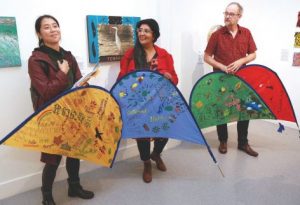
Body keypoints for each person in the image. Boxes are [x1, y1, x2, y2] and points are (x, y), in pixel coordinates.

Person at [28, 15, 94, 205]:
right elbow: (46, 91)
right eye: (47, 27)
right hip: (52, 116)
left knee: (74, 152)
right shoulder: (36, 60)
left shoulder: (68, 55)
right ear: (39, 33)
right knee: (53, 159)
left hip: (73, 112)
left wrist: (84, 82)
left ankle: (74, 186)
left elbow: (79, 80)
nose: (53, 30)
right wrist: (62, 73)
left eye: (55, 26)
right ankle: (46, 196)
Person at [117, 18, 178, 183]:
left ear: (154, 35)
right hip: (139, 104)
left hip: (160, 104)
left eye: (146, 31)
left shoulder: (165, 55)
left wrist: (169, 77)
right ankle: (146, 164)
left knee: (164, 131)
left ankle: (156, 154)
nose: (141, 33)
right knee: (143, 136)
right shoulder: (131, 55)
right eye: (140, 30)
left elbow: (175, 80)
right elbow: (121, 79)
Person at [204, 2, 258, 157]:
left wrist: (241, 61)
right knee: (222, 110)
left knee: (244, 111)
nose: (227, 16)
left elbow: (253, 54)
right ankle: (223, 141)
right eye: (225, 13)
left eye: (231, 14)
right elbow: (207, 57)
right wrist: (221, 66)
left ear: (239, 16)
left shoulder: (246, 33)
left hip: (242, 80)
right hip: (221, 79)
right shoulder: (217, 35)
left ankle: (243, 143)